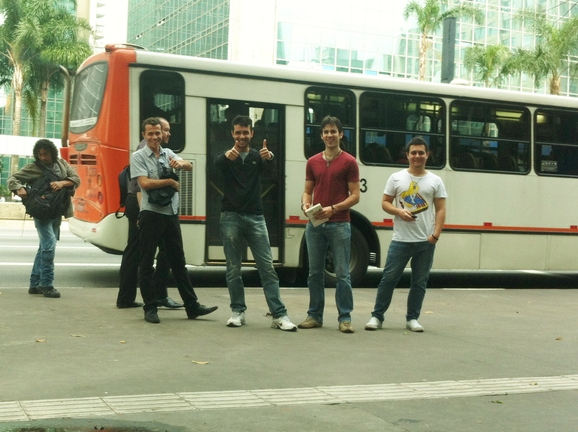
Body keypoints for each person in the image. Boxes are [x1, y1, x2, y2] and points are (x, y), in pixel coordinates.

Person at [131, 117, 218, 323]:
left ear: (162, 134)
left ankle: (192, 306)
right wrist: (169, 181)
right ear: (144, 135)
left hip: (170, 214)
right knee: (146, 262)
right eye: (150, 133)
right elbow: (144, 182)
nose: (154, 137)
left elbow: (188, 166)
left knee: (178, 262)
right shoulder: (138, 156)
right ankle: (150, 307)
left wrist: (182, 163)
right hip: (151, 214)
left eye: (158, 133)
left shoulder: (168, 153)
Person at [214, 115, 297, 331]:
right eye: (238, 132)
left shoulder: (257, 156)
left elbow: (272, 173)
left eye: (246, 132)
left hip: (255, 217)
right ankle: (237, 312)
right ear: (232, 134)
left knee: (267, 268)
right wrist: (225, 157)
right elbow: (212, 170)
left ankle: (279, 315)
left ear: (252, 133)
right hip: (230, 216)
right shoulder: (225, 157)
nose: (242, 136)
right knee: (233, 269)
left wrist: (270, 158)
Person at [365, 136, 447, 332]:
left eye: (421, 153)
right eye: (413, 153)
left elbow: (441, 209)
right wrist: (399, 211)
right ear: (407, 155)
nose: (417, 156)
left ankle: (413, 318)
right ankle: (377, 317)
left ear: (427, 155)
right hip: (400, 240)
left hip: (425, 242)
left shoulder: (435, 181)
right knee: (388, 279)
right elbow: (385, 203)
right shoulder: (396, 178)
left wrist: (435, 235)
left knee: (419, 282)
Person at [299, 116, 360, 333]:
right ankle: (314, 315)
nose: (329, 135)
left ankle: (345, 318)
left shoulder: (349, 162)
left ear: (341, 134)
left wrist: (333, 208)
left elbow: (355, 196)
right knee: (314, 273)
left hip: (340, 224)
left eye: (334, 131)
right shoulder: (313, 161)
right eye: (326, 132)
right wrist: (306, 203)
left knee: (342, 273)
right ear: (321, 135)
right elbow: (308, 190)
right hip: (315, 224)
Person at [117, 117, 183, 309]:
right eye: (166, 129)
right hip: (141, 204)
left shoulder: (160, 150)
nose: (167, 133)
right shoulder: (145, 149)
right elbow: (139, 187)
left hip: (139, 203)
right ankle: (156, 295)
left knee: (137, 251)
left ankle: (127, 298)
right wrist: (141, 214)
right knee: (155, 252)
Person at [7, 139, 80, 298]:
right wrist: (19, 188)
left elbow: (76, 179)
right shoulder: (33, 167)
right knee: (49, 244)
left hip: (56, 210)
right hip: (41, 211)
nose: (42, 157)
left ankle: (34, 284)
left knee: (44, 247)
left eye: (45, 154)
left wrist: (61, 183)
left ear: (52, 153)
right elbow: (12, 179)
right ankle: (46, 283)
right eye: (39, 154)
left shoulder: (62, 164)